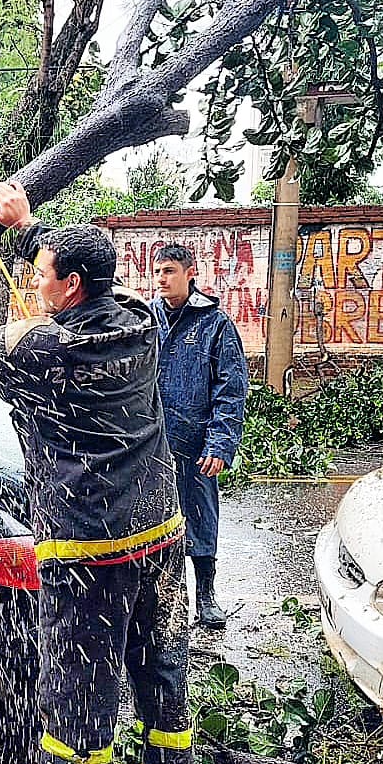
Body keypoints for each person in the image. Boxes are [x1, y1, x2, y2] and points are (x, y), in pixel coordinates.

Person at [0, 182, 195, 764]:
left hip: (89, 543)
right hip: (160, 531)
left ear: (70, 287)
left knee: (80, 675)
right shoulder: (143, 323)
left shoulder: (47, 350)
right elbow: (85, 279)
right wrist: (30, 230)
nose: (35, 286)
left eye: (42, 277)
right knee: (159, 661)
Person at [151, 244, 248, 628]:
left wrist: (221, 443)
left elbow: (231, 389)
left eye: (170, 271)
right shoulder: (146, 319)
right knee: (156, 521)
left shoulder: (215, 325)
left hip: (196, 444)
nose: (162, 278)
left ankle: (206, 594)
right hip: (151, 441)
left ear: (192, 273)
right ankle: (169, 599)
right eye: (158, 271)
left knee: (201, 517)